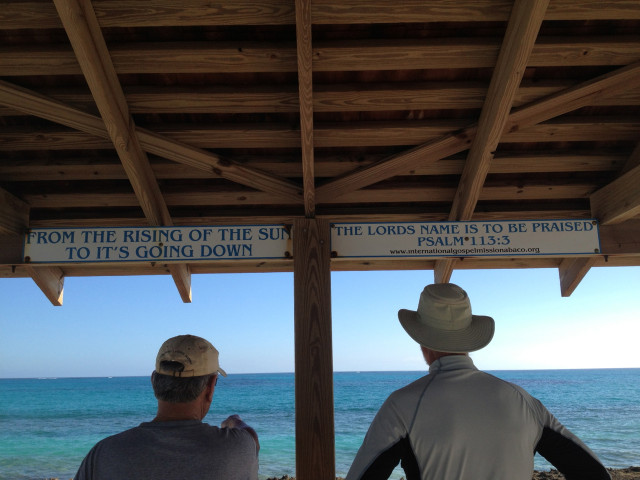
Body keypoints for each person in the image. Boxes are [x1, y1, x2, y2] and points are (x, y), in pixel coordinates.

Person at [346, 283, 610, 480]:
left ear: (421, 341)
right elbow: (595, 474)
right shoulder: (523, 400)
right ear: (469, 340)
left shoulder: (402, 405)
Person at [74, 334, 259, 480]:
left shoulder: (103, 454)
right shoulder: (238, 448)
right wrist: (236, 422)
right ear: (210, 387)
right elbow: (252, 439)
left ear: (154, 381)